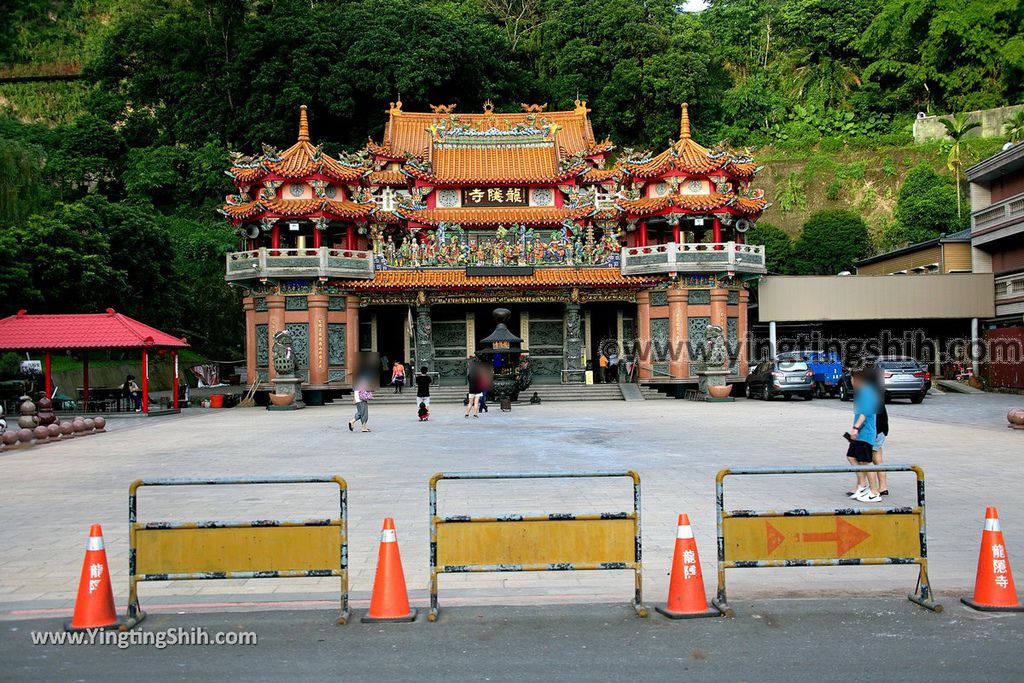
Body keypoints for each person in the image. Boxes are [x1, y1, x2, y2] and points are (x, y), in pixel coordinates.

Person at [846, 367, 880, 502]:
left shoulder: (867, 391)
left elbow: (865, 413)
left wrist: (855, 428)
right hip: (860, 434)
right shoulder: (864, 391)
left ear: (858, 379)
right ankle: (862, 485)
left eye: (852, 378)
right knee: (851, 457)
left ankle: (874, 492)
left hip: (865, 434)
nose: (851, 381)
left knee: (866, 462)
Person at [871, 365, 890, 496]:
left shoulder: (870, 395)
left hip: (876, 431)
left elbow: (872, 417)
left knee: (872, 460)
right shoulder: (877, 392)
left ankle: (874, 487)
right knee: (878, 459)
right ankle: (882, 487)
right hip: (881, 430)